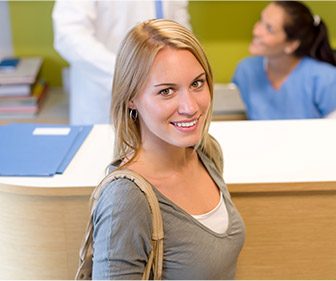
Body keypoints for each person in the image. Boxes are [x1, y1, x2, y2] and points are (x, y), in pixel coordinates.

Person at [91, 19, 246, 279]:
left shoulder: (205, 152)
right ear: (131, 99)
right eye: (166, 91)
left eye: (197, 84)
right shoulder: (126, 199)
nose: (190, 107)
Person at [52, 1, 191, 125]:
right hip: (105, 101)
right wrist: (129, 75)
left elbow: (179, 25)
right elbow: (68, 34)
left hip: (163, 94)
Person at [232, 1, 336, 120]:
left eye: (269, 29)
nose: (256, 31)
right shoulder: (245, 70)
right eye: (260, 20)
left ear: (292, 44)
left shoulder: (325, 78)